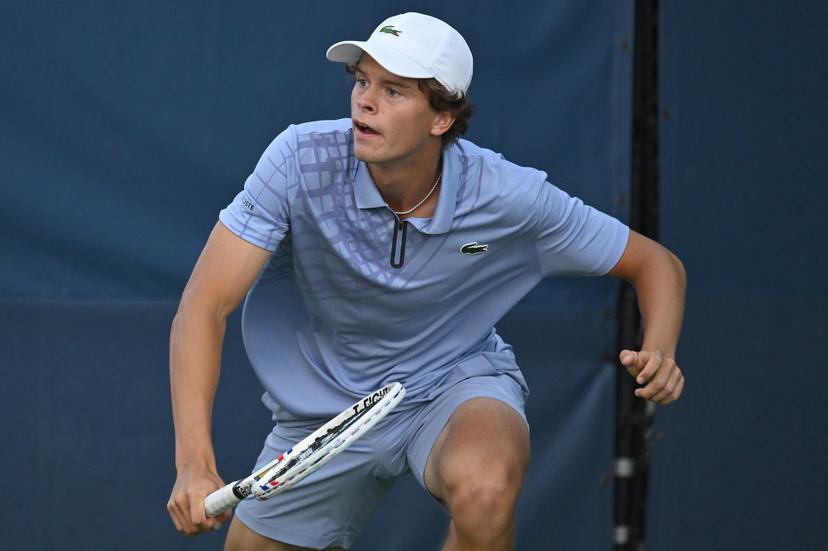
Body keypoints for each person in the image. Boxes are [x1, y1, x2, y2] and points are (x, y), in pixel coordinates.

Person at [166, 12, 686, 551]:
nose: (365, 101)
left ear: (441, 119)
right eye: (362, 81)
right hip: (324, 413)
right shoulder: (298, 161)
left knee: (484, 489)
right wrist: (193, 463)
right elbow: (203, 305)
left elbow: (656, 264)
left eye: (393, 91)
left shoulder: (507, 194)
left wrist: (661, 348)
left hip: (452, 381)